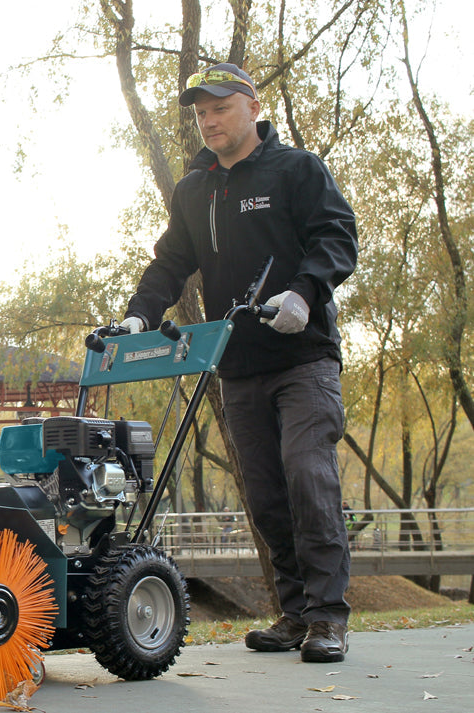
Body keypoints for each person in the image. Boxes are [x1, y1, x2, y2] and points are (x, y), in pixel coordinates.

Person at [120, 63, 357, 663]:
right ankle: (295, 612)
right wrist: (138, 316)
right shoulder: (195, 191)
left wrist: (305, 292)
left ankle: (328, 618)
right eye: (200, 111)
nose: (208, 118)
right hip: (238, 368)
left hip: (303, 358)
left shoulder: (295, 170)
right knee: (266, 493)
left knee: (308, 476)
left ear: (252, 106)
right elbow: (171, 262)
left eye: (220, 106)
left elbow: (337, 235)